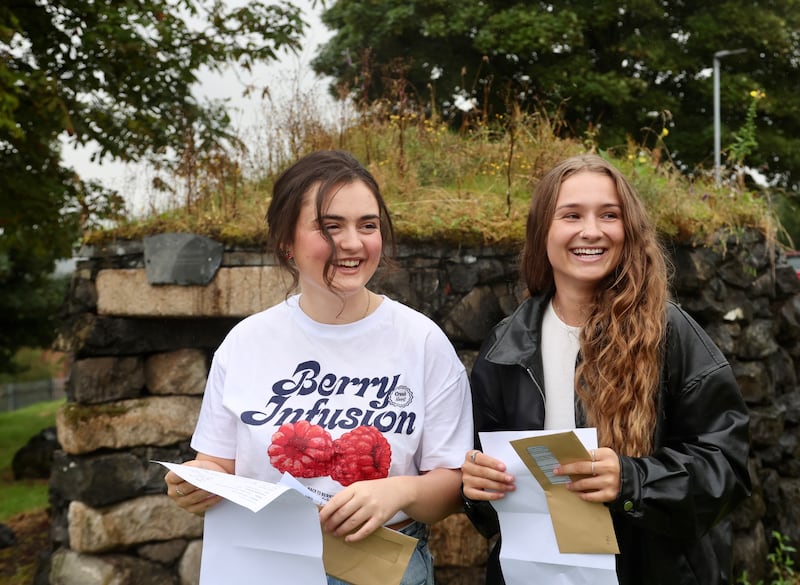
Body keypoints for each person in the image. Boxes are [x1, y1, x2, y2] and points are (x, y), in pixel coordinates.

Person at [165, 149, 474, 585]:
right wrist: (197, 480)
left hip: (377, 569)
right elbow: (216, 464)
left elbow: (454, 484)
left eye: (368, 225)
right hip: (261, 563)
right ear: (286, 242)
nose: (353, 243)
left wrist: (398, 490)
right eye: (331, 226)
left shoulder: (422, 342)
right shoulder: (245, 342)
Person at [460, 153, 751, 585]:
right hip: (538, 574)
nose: (591, 231)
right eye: (571, 215)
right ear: (544, 231)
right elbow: (485, 492)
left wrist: (633, 481)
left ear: (628, 229)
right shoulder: (506, 345)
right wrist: (477, 489)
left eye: (609, 215)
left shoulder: (670, 333)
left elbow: (726, 468)